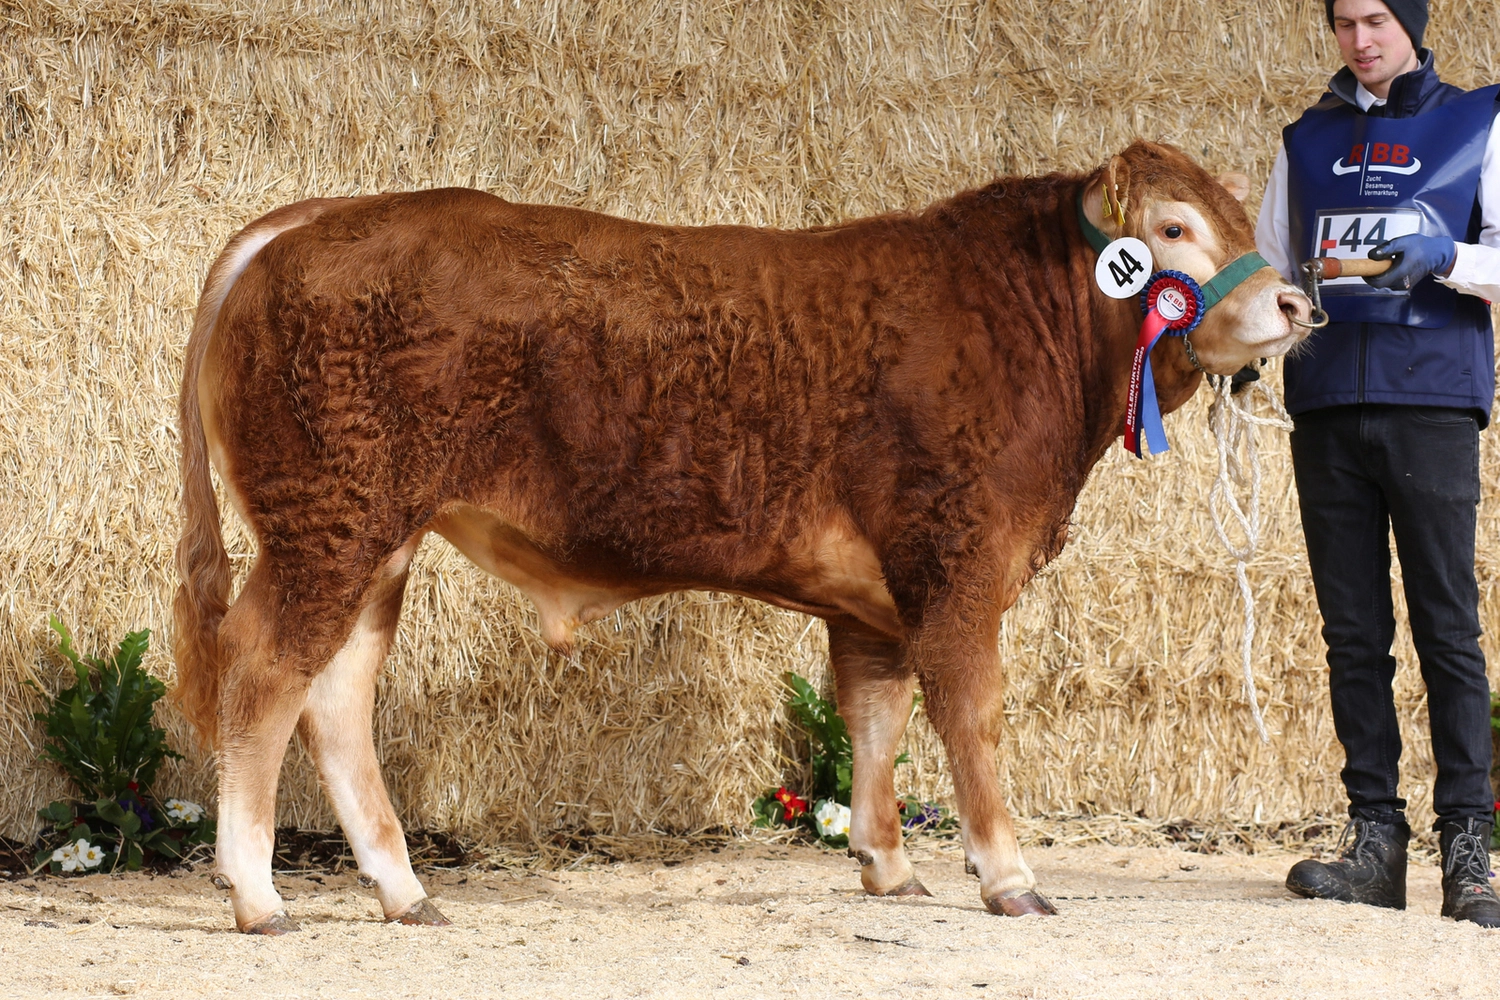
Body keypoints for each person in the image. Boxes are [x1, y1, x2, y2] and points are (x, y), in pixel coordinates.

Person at [1255, 0, 1500, 927]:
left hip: (1431, 397)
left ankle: (1469, 849)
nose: (1360, 40)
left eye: (1375, 20)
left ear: (1411, 22)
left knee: (1447, 628)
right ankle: (1375, 844)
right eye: (1345, 24)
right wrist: (1250, 342)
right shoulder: (1305, 141)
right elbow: (1274, 265)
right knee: (1352, 634)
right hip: (1326, 407)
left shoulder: (1478, 122)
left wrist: (1446, 257)